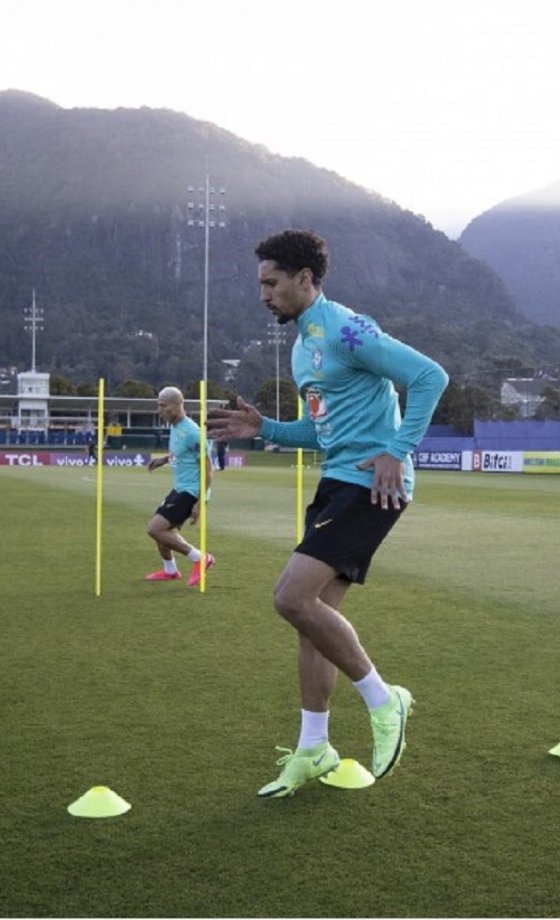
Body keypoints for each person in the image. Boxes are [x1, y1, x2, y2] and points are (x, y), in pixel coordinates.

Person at [208, 229, 448, 798]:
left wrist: (398, 448)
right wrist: (262, 428)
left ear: (304, 279)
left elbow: (428, 375)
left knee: (290, 597)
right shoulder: (302, 346)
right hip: (336, 480)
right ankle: (314, 748)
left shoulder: (346, 328)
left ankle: (385, 701)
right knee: (309, 619)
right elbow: (319, 431)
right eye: (260, 284)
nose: (263, 295)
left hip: (372, 485)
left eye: (271, 283)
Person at [144, 386, 215, 588]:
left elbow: (209, 470)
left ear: (176, 406)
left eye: (163, 406)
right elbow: (182, 454)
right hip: (180, 488)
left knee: (155, 529)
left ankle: (201, 558)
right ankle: (170, 570)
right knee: (161, 530)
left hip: (191, 492)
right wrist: (164, 460)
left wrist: (200, 502)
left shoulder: (193, 432)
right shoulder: (175, 427)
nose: (159, 410)